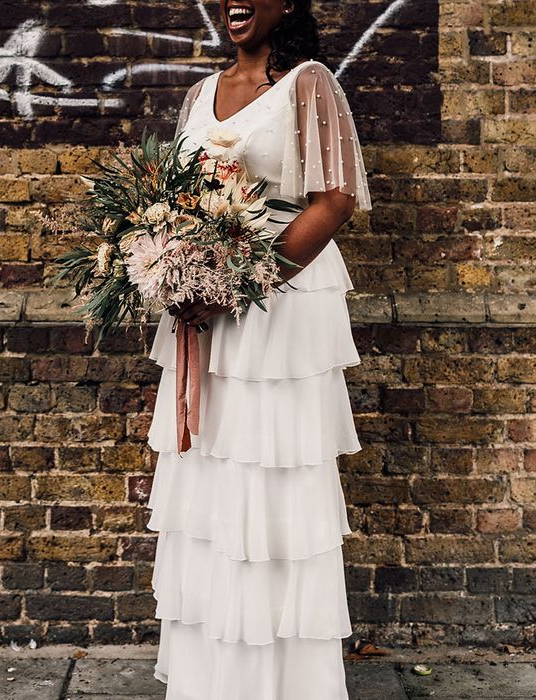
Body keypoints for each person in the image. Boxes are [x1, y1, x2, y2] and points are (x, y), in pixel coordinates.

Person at [144, 0, 373, 697]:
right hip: (202, 317)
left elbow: (334, 201)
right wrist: (166, 260)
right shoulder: (195, 96)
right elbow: (175, 200)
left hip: (278, 312)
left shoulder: (309, 84)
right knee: (212, 488)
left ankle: (285, 683)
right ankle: (211, 679)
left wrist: (241, 283)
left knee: (273, 486)